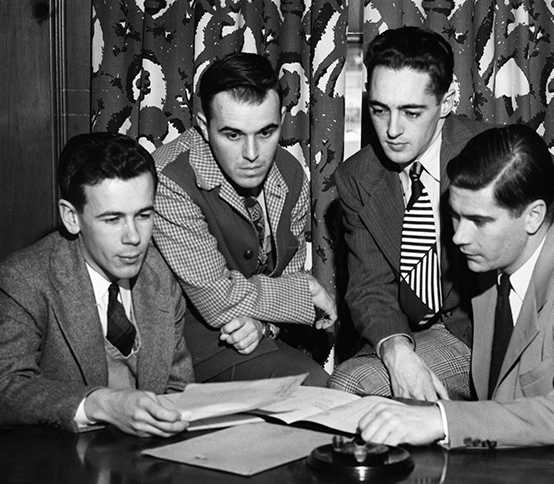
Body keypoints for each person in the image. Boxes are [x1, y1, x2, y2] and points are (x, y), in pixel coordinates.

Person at [329, 26, 554, 401]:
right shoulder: (357, 177)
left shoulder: (501, 156)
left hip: (512, 329)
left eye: (411, 112)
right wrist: (397, 352)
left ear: (447, 100)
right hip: (435, 334)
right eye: (380, 110)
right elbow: (368, 287)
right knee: (350, 383)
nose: (392, 130)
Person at [357, 124, 554, 449]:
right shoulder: (494, 258)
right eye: (456, 216)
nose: (458, 237)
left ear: (533, 216)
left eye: (480, 221)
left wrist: (443, 420)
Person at [152, 52, 337, 386]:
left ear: (281, 118)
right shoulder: (168, 178)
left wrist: (265, 325)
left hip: (255, 337)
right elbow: (217, 299)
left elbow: (285, 277)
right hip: (188, 354)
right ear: (203, 126)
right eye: (233, 135)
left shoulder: (291, 173)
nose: (252, 155)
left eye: (266, 133)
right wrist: (306, 294)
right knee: (313, 387)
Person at [0, 132, 194, 437]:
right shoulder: (24, 279)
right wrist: (100, 403)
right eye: (112, 219)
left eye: (143, 215)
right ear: (71, 217)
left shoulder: (160, 274)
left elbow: (179, 388)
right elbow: (6, 387)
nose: (133, 237)